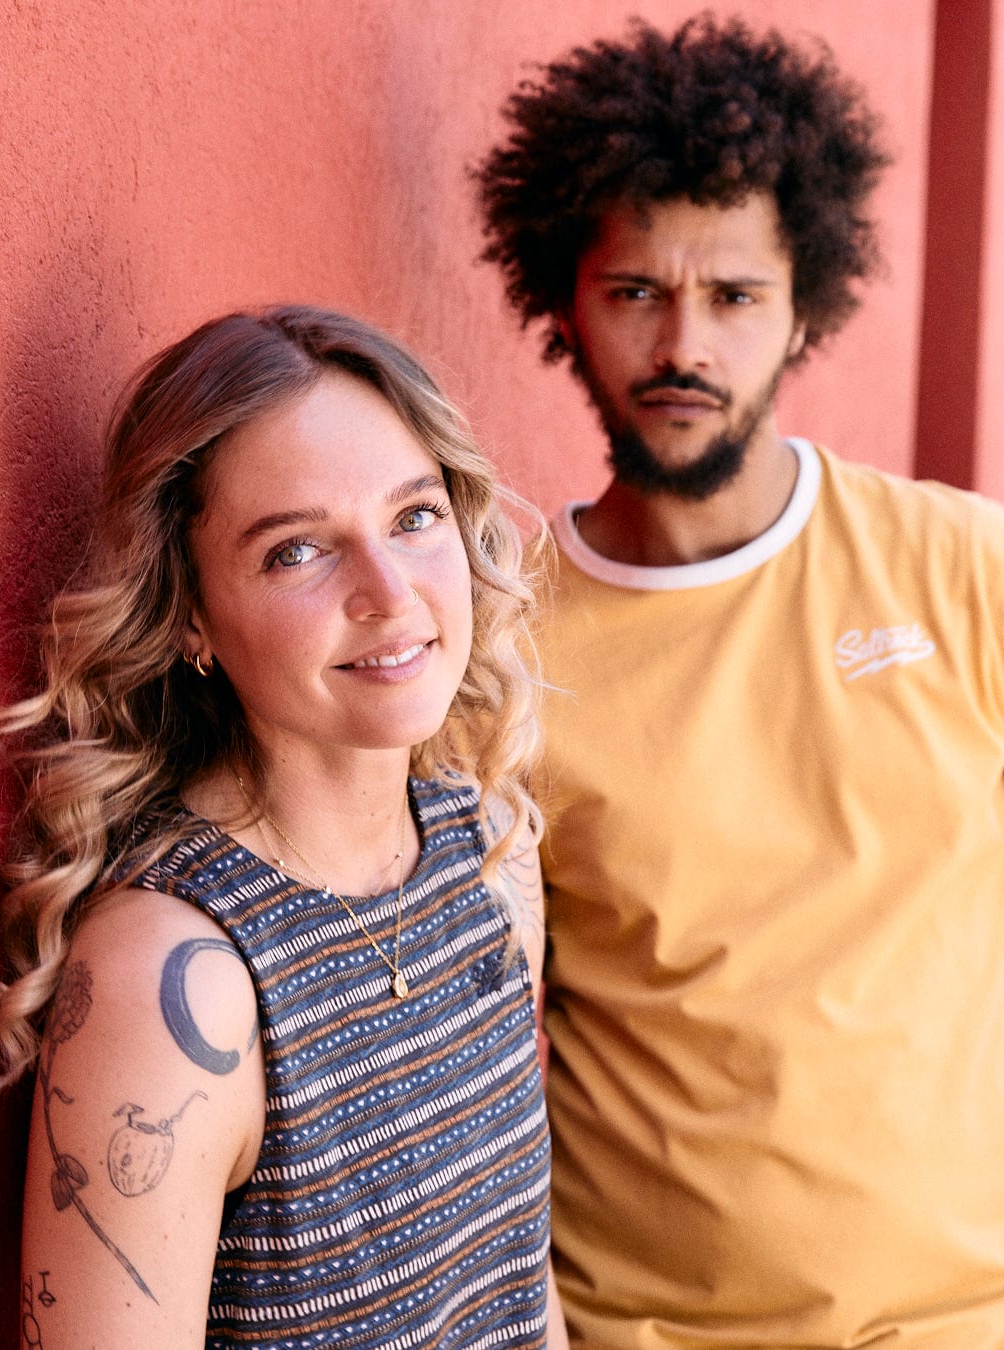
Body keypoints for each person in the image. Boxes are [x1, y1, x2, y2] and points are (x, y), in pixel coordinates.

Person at [476, 13, 1004, 1348]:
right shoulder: (503, 650)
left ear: (805, 303)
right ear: (563, 298)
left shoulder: (962, 568)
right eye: (634, 291)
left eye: (734, 296)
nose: (683, 347)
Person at [0, 305, 569, 1348]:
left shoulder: (489, 849)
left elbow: (525, 1297)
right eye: (298, 550)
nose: (389, 594)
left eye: (414, 516)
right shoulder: (178, 982)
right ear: (190, 615)